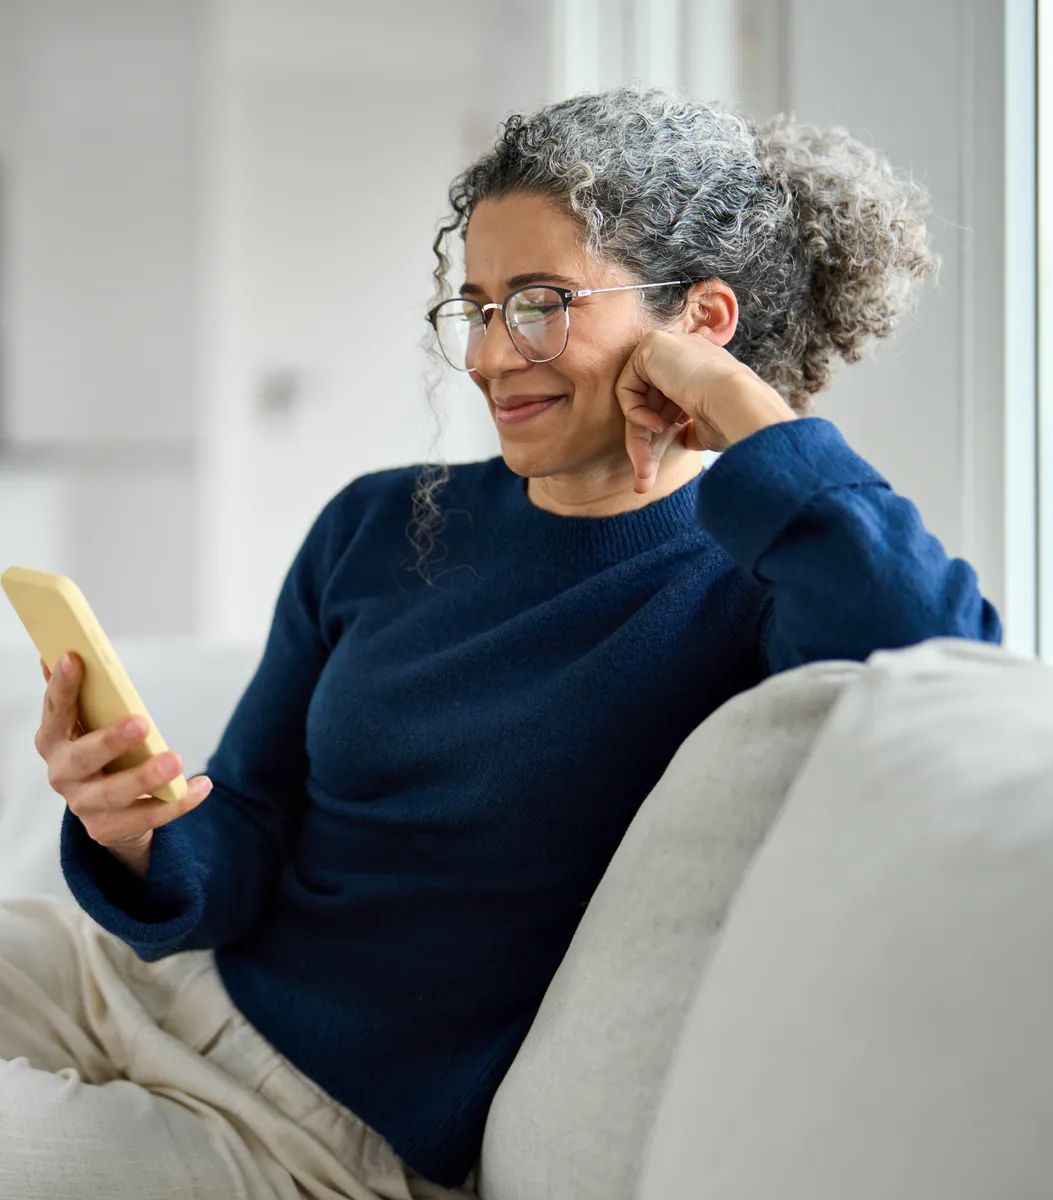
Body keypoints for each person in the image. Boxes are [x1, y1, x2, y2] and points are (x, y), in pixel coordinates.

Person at [0, 85, 1002, 1198]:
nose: (488, 355)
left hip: (319, 1137)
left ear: (700, 320)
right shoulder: (379, 522)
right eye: (474, 307)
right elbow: (247, 821)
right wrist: (134, 831)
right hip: (149, 986)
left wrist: (736, 402)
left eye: (539, 303)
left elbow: (941, 658)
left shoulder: (750, 585)